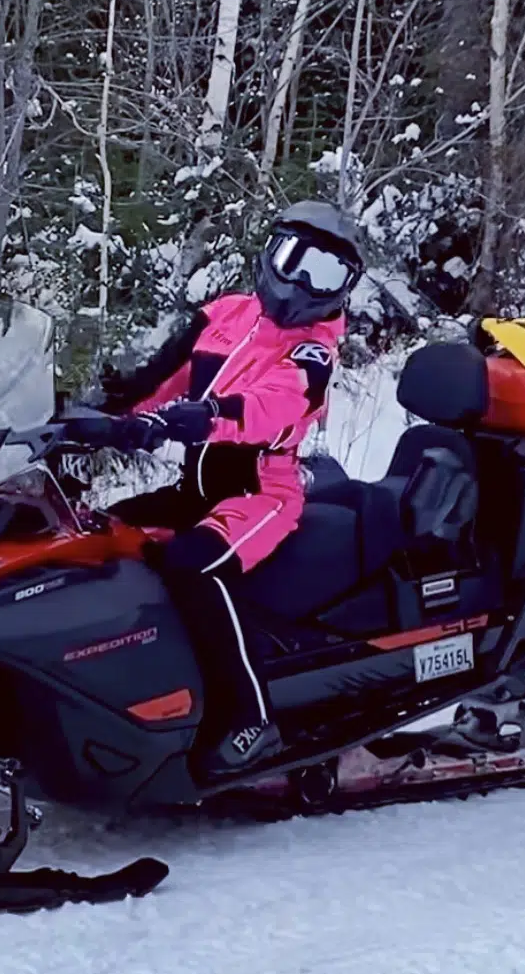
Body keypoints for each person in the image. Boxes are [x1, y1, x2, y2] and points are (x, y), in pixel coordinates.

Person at [65, 201, 365, 776]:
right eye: (292, 258)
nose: (301, 280)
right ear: (269, 253)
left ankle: (250, 717)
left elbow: (270, 405)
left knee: (193, 565)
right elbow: (158, 379)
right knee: (101, 536)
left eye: (324, 273)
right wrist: (93, 415)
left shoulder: (313, 350)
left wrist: (199, 417)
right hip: (196, 484)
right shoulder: (224, 315)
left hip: (260, 491)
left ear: (341, 290)